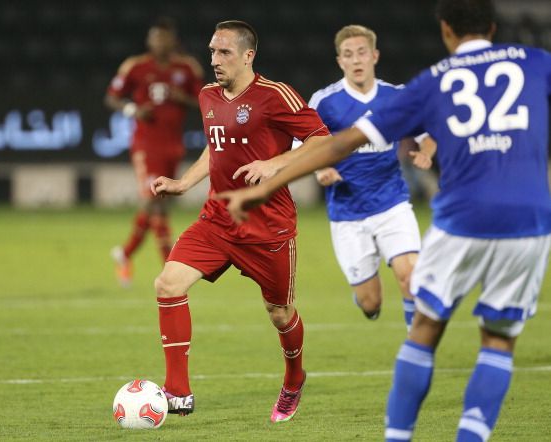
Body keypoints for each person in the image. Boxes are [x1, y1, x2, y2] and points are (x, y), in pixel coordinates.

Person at [217, 0, 551, 440]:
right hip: (526, 218)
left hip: (440, 212)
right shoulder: (537, 62)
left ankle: (398, 434)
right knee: (493, 340)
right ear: (492, 26)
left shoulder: (428, 84)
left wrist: (265, 184)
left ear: (446, 32)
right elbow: (317, 143)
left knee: (423, 323)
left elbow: (339, 144)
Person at [150, 20, 330, 422]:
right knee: (168, 283)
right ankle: (177, 392)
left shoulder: (275, 95)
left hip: (268, 227)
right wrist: (184, 183)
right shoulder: (207, 95)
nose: (214, 60)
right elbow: (214, 151)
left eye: (224, 52)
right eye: (212, 51)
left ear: (248, 56)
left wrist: (274, 163)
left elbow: (322, 139)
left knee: (280, 313)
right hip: (217, 219)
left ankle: (294, 378)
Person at [305, 24, 436, 329]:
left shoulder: (397, 96)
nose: (356, 60)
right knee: (370, 303)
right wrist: (320, 168)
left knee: (410, 276)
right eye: (348, 55)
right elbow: (302, 146)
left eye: (362, 52)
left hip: (392, 203)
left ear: (374, 55)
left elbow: (429, 131)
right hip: (347, 212)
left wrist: (427, 151)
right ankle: (364, 296)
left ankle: (415, 352)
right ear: (340, 61)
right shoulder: (324, 101)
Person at [105, 17, 203, 287]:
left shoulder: (187, 67)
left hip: (172, 144)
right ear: (149, 41)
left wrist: (179, 97)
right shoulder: (135, 66)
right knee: (152, 200)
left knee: (160, 205)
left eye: (164, 38)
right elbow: (111, 97)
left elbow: (204, 101)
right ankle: (168, 266)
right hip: (145, 145)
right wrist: (133, 110)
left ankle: (125, 254)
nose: (159, 42)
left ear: (173, 40)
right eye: (155, 38)